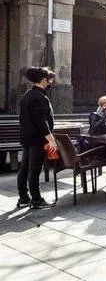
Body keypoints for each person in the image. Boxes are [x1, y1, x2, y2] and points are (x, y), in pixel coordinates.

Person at [17, 66, 57, 208]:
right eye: (50, 79)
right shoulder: (40, 97)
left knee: (25, 168)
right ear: (43, 80)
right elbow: (41, 121)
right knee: (34, 170)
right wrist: (51, 139)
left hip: (27, 138)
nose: (51, 82)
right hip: (38, 139)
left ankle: (23, 198)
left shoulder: (27, 95)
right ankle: (37, 200)